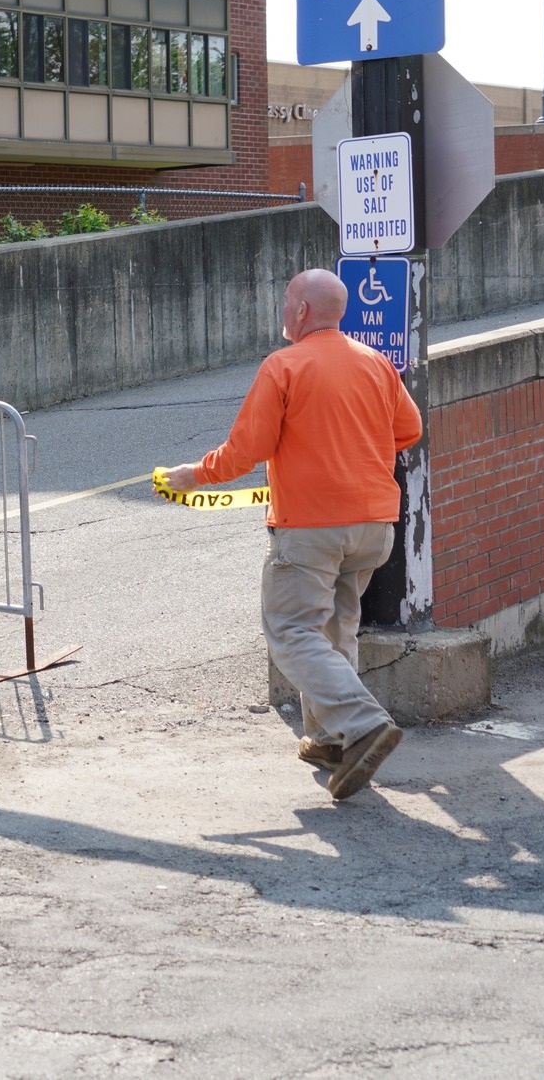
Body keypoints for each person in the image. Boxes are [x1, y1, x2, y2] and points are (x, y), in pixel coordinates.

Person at [159, 268, 422, 801]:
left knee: (291, 630)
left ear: (302, 310)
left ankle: (363, 723)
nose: (282, 309)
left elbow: (246, 449)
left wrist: (195, 475)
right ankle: (330, 739)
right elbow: (409, 429)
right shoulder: (375, 363)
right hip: (373, 525)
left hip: (311, 527)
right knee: (336, 630)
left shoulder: (285, 365)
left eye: (286, 301)